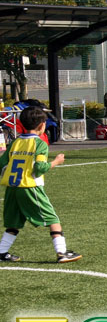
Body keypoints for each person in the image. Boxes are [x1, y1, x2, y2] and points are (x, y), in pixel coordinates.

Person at [0, 106, 82, 263]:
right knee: (52, 219)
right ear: (42, 125)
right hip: (30, 187)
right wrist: (56, 162)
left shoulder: (15, 142)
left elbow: (1, 164)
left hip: (12, 188)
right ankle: (62, 252)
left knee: (14, 222)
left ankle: (2, 252)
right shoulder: (40, 144)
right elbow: (40, 168)